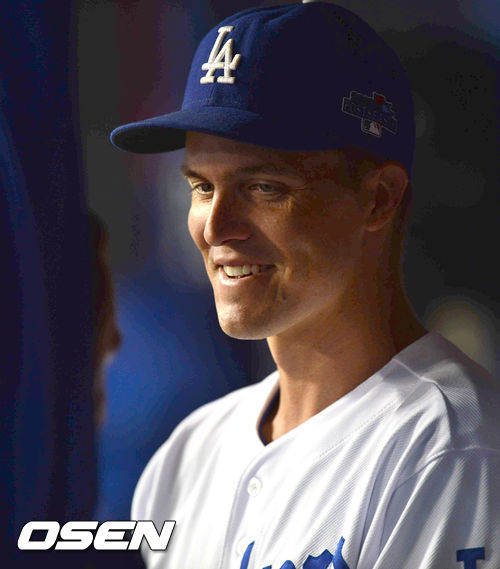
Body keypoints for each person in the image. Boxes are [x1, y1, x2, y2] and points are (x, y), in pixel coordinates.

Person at [110, 2, 500, 568]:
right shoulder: (186, 456)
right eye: (202, 187)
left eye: (263, 188)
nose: (216, 227)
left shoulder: (453, 451)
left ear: (379, 198)